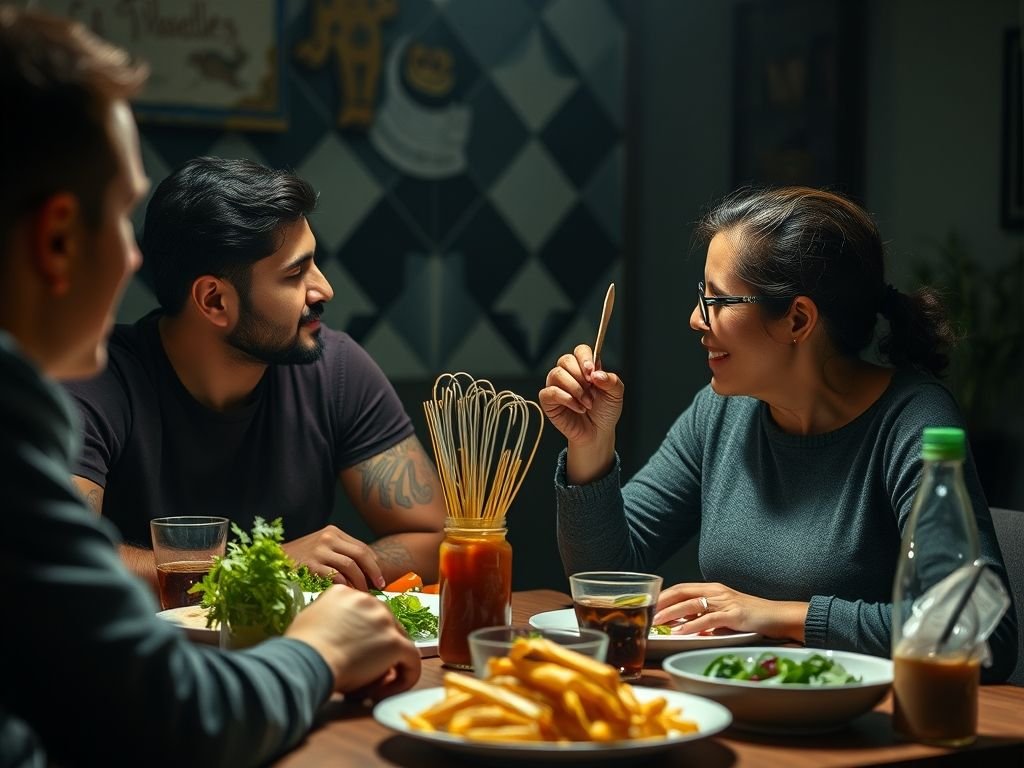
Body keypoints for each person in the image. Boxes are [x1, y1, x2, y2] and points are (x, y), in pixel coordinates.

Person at [0, 8, 420, 766]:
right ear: (60, 237)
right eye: (121, 219)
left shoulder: (336, 365)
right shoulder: (38, 413)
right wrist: (314, 645)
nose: (132, 262)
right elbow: (171, 715)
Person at [540, 186, 1018, 682]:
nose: (694, 319)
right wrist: (591, 443)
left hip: (864, 730)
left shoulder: (912, 422)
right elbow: (605, 580)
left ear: (798, 319)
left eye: (716, 300)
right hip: (741, 706)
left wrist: (779, 614)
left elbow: (978, 630)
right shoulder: (720, 414)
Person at [63, 155, 447, 593]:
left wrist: (336, 568)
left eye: (313, 263)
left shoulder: (336, 368)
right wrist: (261, 568)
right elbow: (58, 552)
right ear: (214, 301)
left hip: (295, 653)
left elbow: (437, 538)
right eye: (295, 274)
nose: (324, 288)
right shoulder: (94, 379)